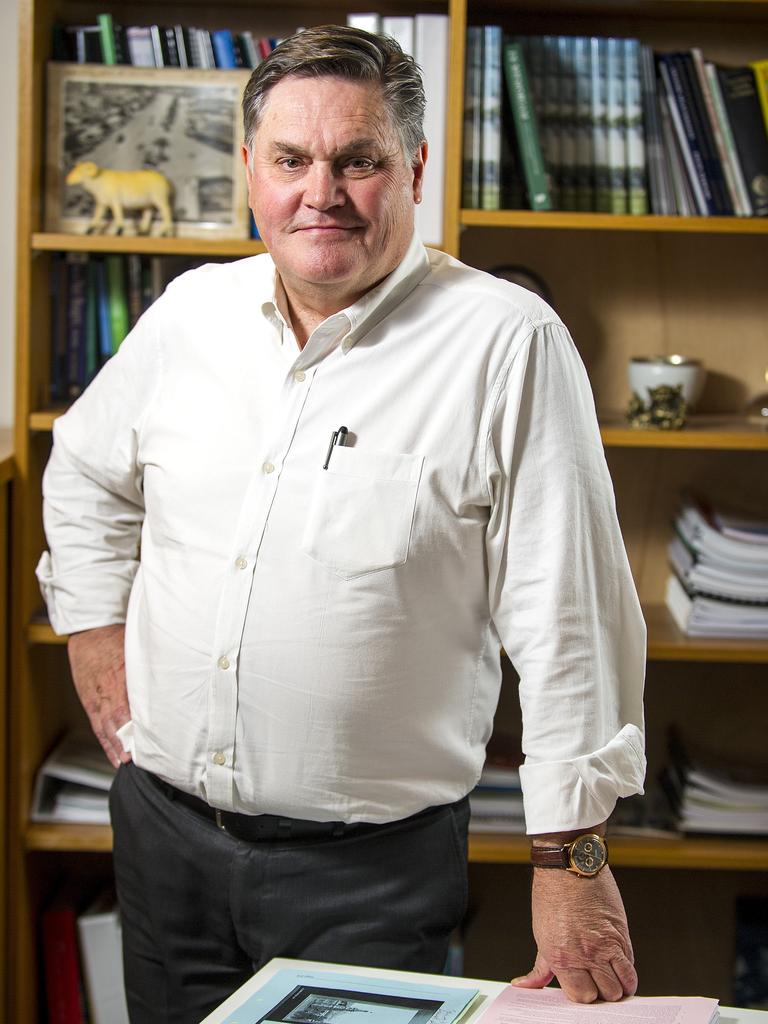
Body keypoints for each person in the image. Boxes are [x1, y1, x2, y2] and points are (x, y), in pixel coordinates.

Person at [37, 24, 647, 1024]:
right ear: (249, 171)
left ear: (410, 168)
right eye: (290, 160)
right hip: (163, 838)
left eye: (357, 161)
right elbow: (86, 473)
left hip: (368, 875)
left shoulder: (506, 341)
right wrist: (95, 631)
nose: (320, 192)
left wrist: (570, 857)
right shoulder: (191, 314)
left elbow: (567, 615)